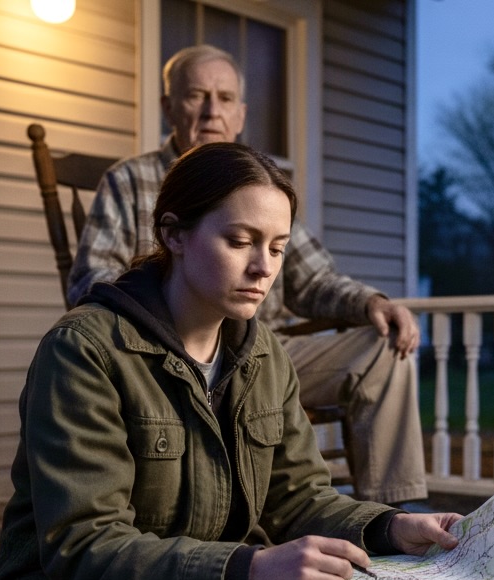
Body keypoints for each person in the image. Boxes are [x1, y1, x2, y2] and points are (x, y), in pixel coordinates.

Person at [0, 142, 463, 580]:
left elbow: (300, 499)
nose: (264, 267)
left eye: (278, 248)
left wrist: (392, 528)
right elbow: (85, 549)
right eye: (240, 242)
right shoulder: (86, 352)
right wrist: (251, 569)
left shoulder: (262, 355)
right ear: (175, 235)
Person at [68, 44, 424, 504]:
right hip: (166, 356)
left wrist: (371, 302)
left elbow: (315, 280)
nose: (212, 110)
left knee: (384, 348)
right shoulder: (128, 180)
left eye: (226, 97)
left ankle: (397, 512)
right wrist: (172, 318)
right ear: (168, 107)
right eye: (197, 95)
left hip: (267, 351)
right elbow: (90, 281)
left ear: (241, 113)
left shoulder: (261, 188)